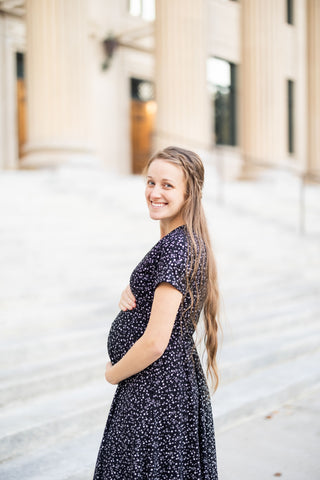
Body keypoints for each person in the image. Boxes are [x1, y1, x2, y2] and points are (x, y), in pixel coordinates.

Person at [93, 146, 221, 479]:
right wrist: (133, 293)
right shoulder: (181, 242)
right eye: (151, 182)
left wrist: (112, 373)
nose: (154, 192)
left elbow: (155, 342)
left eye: (167, 185)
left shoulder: (178, 246)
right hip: (161, 384)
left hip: (156, 390)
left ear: (189, 193)